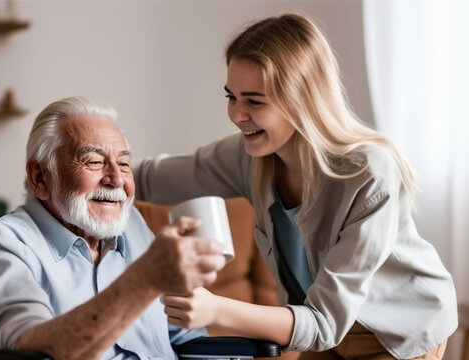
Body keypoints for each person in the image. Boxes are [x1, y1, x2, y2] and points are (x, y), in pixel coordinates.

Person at [133, 13, 458, 360]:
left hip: (398, 333)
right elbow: (147, 178)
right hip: (322, 325)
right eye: (232, 96)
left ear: (302, 99)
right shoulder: (246, 157)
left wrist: (215, 310)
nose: (237, 115)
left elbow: (324, 323)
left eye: (254, 101)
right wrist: (86, 166)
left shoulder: (368, 175)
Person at [0, 96, 226, 360]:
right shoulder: (0, 245)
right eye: (94, 162)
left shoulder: (132, 226)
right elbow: (36, 351)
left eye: (123, 163)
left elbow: (188, 339)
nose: (117, 179)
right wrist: (145, 280)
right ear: (40, 178)